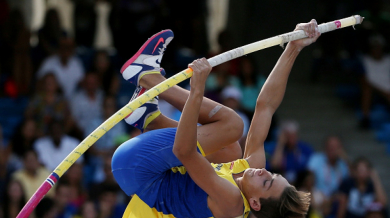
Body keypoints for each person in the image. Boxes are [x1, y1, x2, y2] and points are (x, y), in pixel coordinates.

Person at [112, 20, 321, 218]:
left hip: (136, 168)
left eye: (267, 182)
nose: (264, 172)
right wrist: (293, 47)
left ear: (255, 203)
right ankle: (149, 118)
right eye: (273, 175)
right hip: (146, 178)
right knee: (230, 148)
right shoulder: (251, 174)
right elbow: (265, 106)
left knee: (233, 125)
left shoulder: (232, 202)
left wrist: (197, 90)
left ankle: (147, 75)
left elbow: (184, 151)